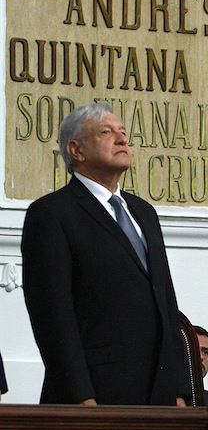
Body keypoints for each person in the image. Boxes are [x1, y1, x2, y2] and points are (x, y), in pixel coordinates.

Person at [21, 102, 189, 406]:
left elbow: (166, 301)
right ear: (76, 150)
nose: (122, 139)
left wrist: (178, 388)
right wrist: (80, 396)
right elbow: (52, 316)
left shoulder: (144, 212)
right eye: (106, 132)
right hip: (97, 395)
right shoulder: (52, 214)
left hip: (158, 395)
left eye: (123, 133)